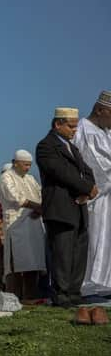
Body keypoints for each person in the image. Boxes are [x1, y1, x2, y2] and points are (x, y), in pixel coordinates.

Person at [36, 107, 97, 308]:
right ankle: (61, 294)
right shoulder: (46, 147)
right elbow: (61, 173)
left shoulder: (74, 148)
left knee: (78, 253)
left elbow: (87, 172)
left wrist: (87, 191)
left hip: (78, 208)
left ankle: (73, 292)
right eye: (71, 126)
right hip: (60, 208)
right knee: (62, 254)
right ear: (58, 124)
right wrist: (87, 188)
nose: (75, 130)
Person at [73, 91, 111, 297]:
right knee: (96, 240)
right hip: (96, 199)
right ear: (100, 110)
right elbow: (100, 169)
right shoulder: (83, 131)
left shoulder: (105, 131)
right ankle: (90, 287)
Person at [0, 150, 46, 301]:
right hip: (16, 225)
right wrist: (37, 207)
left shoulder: (31, 178)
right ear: (15, 162)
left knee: (33, 262)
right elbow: (16, 197)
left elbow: (40, 194)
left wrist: (40, 208)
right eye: (25, 165)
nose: (27, 168)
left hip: (33, 223)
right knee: (15, 264)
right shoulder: (6, 177)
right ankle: (14, 297)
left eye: (30, 165)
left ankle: (30, 296)